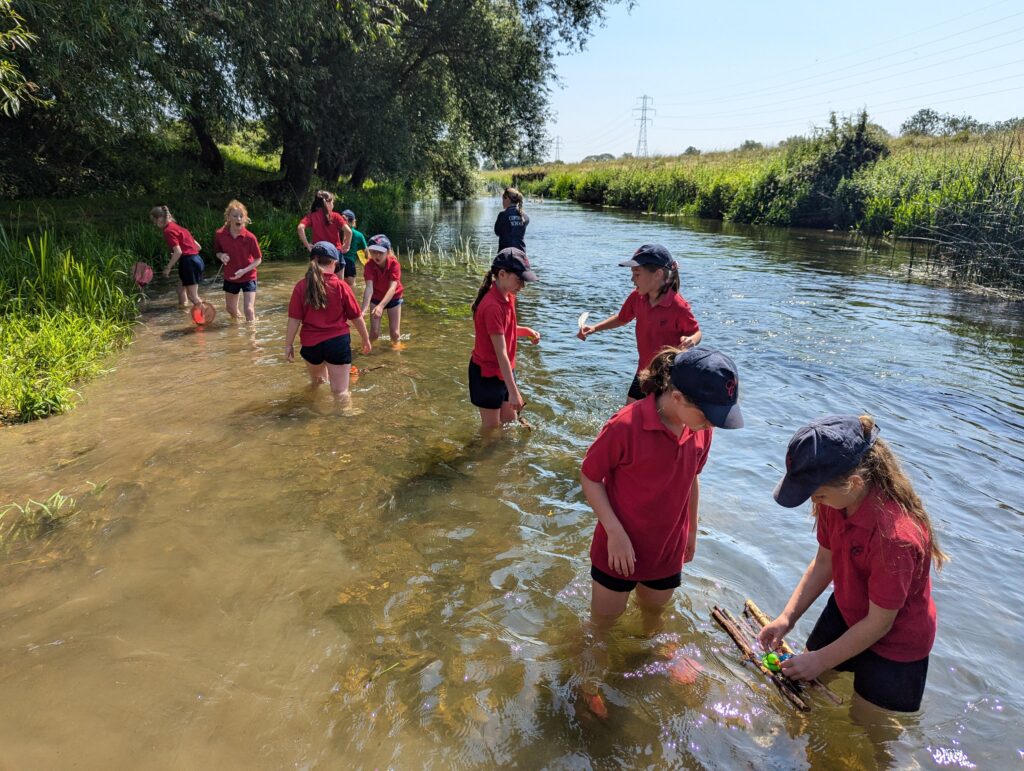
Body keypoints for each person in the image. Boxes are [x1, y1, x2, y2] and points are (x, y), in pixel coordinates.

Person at [758, 415, 948, 715]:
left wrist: (821, 660)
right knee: (801, 682)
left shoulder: (896, 537)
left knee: (870, 728)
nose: (814, 500)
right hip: (849, 608)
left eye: (817, 493)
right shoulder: (834, 501)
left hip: (897, 639)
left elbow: (880, 623)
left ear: (855, 482)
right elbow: (824, 563)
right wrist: (787, 617)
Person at [581, 347, 743, 639]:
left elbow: (692, 479)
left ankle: (657, 659)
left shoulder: (701, 430)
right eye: (708, 416)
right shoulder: (625, 425)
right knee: (601, 626)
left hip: (667, 550)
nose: (711, 424)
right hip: (617, 549)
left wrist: (692, 531)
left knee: (654, 618)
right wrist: (615, 533)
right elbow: (590, 477)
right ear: (677, 398)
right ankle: (590, 674)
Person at [578, 244, 701, 404]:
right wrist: (595, 328)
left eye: (636, 274)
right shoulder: (637, 297)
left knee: (660, 420)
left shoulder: (678, 306)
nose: (632, 280)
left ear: (657, 274)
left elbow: (697, 332)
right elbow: (622, 318)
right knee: (628, 416)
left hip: (669, 375)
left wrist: (692, 340)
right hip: (643, 370)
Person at [285, 241, 371, 398]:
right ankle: (342, 420)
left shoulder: (301, 286)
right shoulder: (341, 286)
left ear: (312, 261)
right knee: (341, 392)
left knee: (317, 384)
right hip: (337, 344)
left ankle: (315, 416)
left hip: (311, 346)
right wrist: (366, 339)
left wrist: (288, 345)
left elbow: (294, 320)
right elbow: (356, 317)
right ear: (334, 262)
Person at [468, 248, 541, 429]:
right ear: (502, 274)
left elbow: (505, 330)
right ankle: (478, 456)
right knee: (491, 431)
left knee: (510, 424)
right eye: (519, 280)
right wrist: (514, 392)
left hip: (505, 371)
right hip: (487, 375)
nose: (522, 286)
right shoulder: (492, 306)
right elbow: (500, 353)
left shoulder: (509, 296)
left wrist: (526, 331)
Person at [214, 199, 262, 321]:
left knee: (249, 310)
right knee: (230, 309)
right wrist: (221, 256)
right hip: (230, 276)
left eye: (241, 216)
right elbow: (217, 252)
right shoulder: (220, 234)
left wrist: (244, 270)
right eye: (235, 216)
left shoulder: (250, 237)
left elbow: (258, 259)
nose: (239, 219)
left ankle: (251, 339)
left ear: (245, 218)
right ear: (229, 217)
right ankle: (238, 330)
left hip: (248, 275)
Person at [151, 205, 204, 309]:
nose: (154, 224)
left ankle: (206, 317)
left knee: (193, 296)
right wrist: (182, 254)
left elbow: (178, 252)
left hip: (189, 263)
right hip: (197, 260)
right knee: (180, 290)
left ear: (160, 219)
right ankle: (184, 312)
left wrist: (168, 267)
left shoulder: (168, 231)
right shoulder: (181, 228)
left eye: (154, 221)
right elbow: (198, 247)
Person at [360, 234, 404, 345]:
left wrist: (381, 306)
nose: (377, 255)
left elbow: (393, 288)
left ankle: (397, 356)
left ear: (388, 252)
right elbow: (369, 288)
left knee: (395, 334)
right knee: (374, 333)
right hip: (376, 298)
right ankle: (366, 350)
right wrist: (363, 310)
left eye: (380, 252)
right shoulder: (369, 265)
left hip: (393, 297)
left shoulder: (394, 264)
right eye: (373, 252)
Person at [297, 190, 352, 259]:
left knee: (315, 269)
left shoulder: (312, 216)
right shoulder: (336, 216)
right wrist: (347, 245)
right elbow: (349, 232)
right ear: (327, 203)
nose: (333, 205)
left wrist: (307, 245)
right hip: (334, 251)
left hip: (318, 252)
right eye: (332, 203)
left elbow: (300, 228)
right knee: (341, 268)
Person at [340, 208, 369, 289]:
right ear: (353, 221)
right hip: (349, 263)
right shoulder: (358, 235)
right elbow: (366, 251)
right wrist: (367, 258)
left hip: (337, 261)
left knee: (339, 286)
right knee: (351, 287)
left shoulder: (337, 232)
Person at [494, 187, 529, 252]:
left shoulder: (502, 215)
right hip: (521, 254)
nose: (502, 202)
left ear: (507, 199)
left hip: (505, 254)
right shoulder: (525, 217)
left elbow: (497, 232)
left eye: (503, 199)